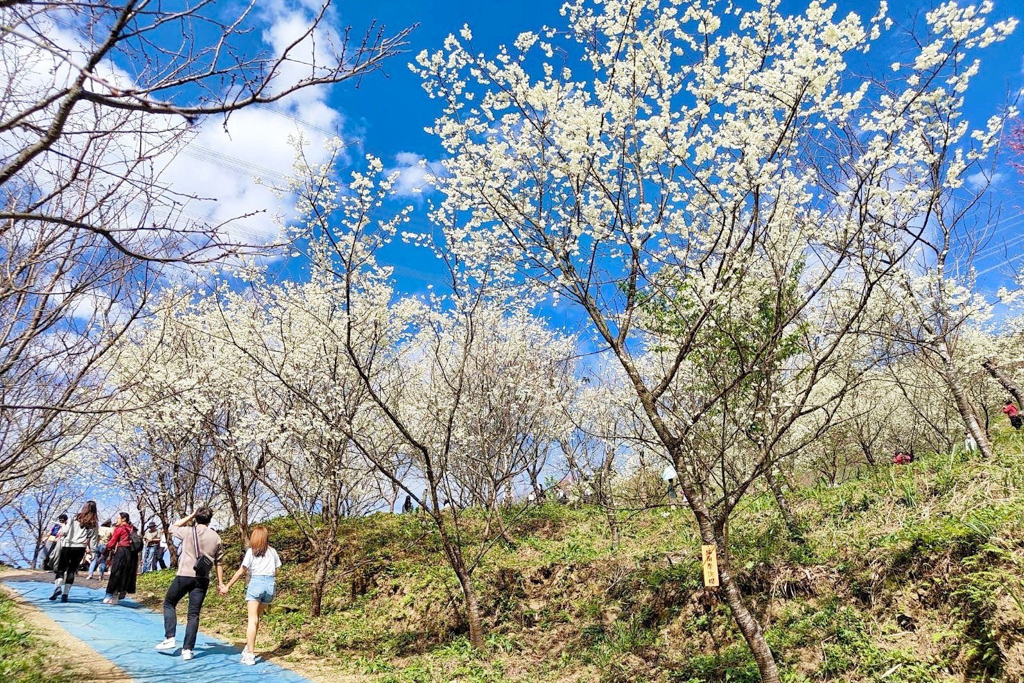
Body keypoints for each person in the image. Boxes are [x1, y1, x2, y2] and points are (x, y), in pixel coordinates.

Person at [155, 507, 224, 661]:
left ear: (196, 517)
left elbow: (172, 527)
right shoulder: (216, 537)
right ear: (210, 519)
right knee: (193, 614)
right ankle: (188, 649)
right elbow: (219, 562)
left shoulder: (188, 531)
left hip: (184, 575)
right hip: (202, 579)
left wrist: (191, 515)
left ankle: (170, 637)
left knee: (169, 603)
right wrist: (221, 583)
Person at [219, 525, 281, 666]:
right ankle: (249, 646)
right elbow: (277, 571)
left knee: (252, 620)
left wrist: (227, 586)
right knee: (256, 618)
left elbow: (241, 571)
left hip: (256, 583)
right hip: (270, 587)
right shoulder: (273, 552)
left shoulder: (251, 552)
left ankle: (250, 654)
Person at [49, 501, 98, 602]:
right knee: (72, 570)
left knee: (61, 568)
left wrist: (61, 533)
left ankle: (58, 587)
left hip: (67, 545)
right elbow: (93, 539)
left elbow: (65, 531)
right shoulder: (94, 523)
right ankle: (65, 594)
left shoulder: (74, 518)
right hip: (80, 548)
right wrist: (93, 551)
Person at [103, 512, 138, 605]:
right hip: (132, 554)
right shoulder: (132, 529)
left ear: (123, 519)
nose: (116, 520)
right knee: (126, 573)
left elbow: (112, 542)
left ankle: (109, 595)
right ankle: (118, 594)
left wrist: (105, 553)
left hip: (122, 552)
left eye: (118, 518)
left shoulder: (120, 529)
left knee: (116, 572)